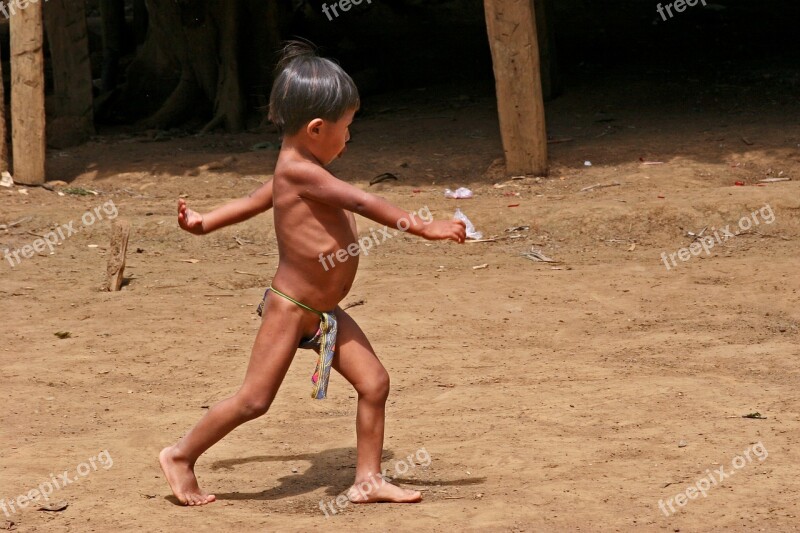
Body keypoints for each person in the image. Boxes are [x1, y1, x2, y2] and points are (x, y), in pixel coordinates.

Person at [159, 41, 466, 506]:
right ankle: (180, 456)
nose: (349, 138)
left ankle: (367, 479)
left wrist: (204, 222)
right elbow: (363, 201)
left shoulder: (292, 173)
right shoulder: (302, 173)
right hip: (292, 308)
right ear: (317, 128)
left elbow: (249, 203)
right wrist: (423, 225)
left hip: (324, 311)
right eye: (347, 129)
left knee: (375, 383)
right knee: (254, 401)